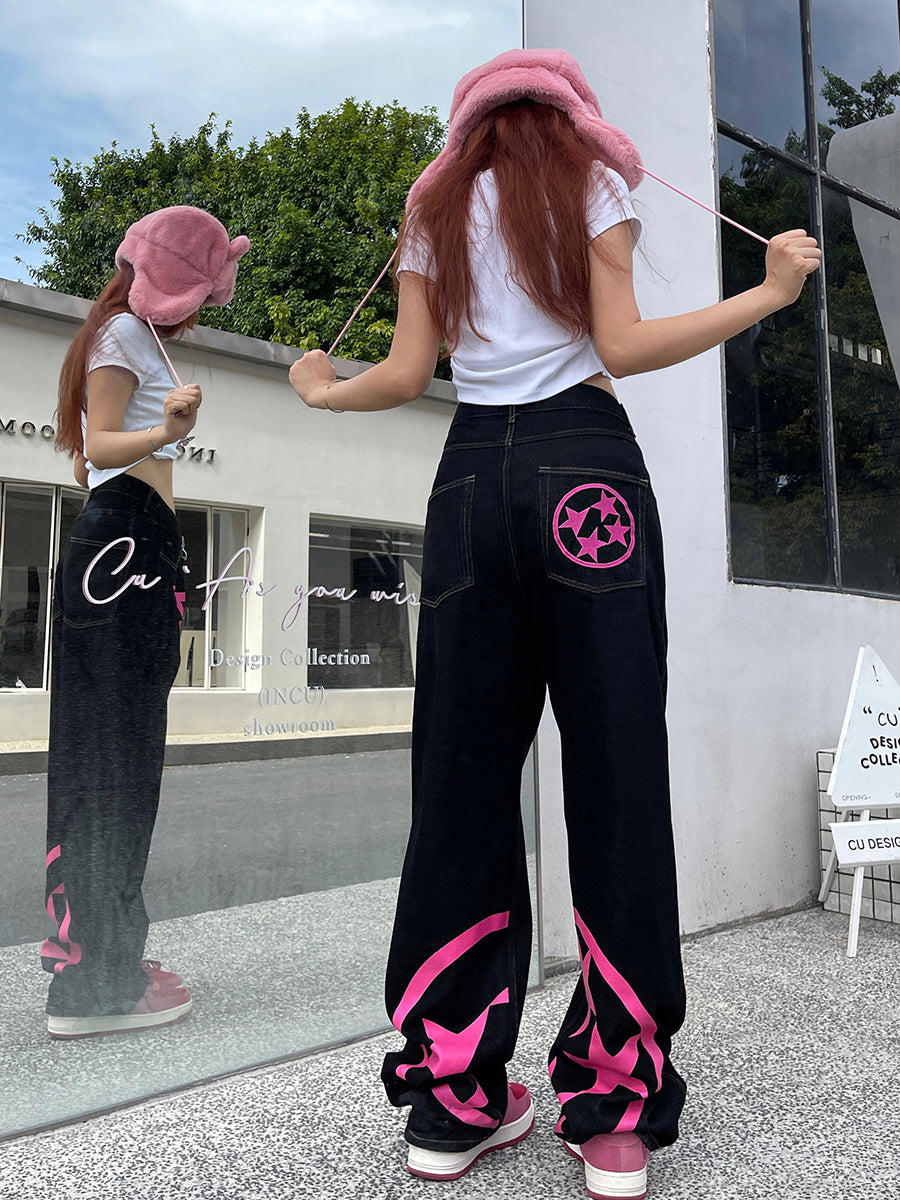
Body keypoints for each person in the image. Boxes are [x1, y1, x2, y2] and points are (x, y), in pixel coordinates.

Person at [288, 49, 820, 1200]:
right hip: (587, 469)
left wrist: (323, 390)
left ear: (472, 122)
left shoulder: (435, 205)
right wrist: (769, 294)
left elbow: (408, 371)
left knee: (462, 782)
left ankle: (451, 1099)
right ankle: (615, 1107)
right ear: (569, 115)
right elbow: (621, 347)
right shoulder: (592, 182)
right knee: (617, 770)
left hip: (470, 481)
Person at [43, 206, 249, 1039]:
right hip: (125, 546)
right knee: (116, 762)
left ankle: (100, 958)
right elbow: (99, 446)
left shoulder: (125, 336)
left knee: (110, 756)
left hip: (130, 545)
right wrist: (166, 430)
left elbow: (91, 457)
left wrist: (157, 437)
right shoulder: (123, 334)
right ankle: (99, 981)